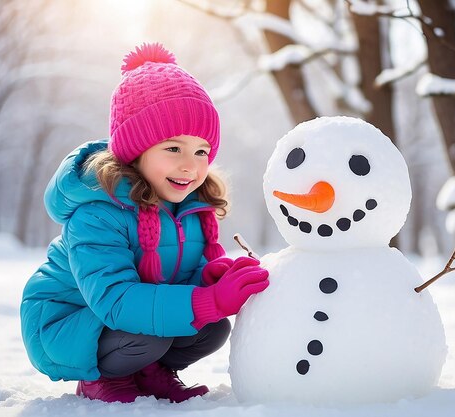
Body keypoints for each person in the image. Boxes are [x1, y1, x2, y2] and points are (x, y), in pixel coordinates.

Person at [20, 43, 269, 404]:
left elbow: (177, 279)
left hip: (120, 321)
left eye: (202, 151)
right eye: (173, 149)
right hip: (68, 324)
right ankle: (103, 378)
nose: (191, 165)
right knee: (152, 333)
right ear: (135, 151)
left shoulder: (189, 207)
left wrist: (212, 277)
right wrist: (209, 299)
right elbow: (116, 301)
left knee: (212, 328)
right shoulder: (98, 213)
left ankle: (151, 371)